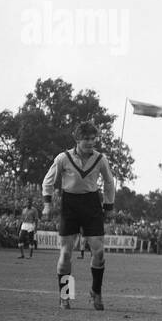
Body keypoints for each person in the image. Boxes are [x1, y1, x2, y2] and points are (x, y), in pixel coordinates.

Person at [42, 122, 116, 310]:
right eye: (87, 139)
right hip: (70, 205)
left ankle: (95, 292)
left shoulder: (101, 159)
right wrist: (47, 204)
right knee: (66, 253)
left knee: (99, 252)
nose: (91, 142)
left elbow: (109, 182)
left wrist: (109, 205)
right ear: (77, 139)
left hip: (91, 204)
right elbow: (48, 181)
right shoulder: (63, 158)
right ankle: (66, 295)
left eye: (93, 139)